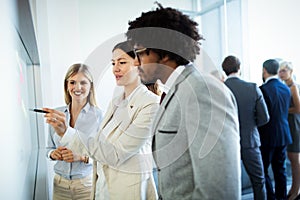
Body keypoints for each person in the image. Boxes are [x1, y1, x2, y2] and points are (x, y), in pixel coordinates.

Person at [126, 3, 241, 199]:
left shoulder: (203, 91)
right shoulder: (174, 90)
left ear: (164, 51)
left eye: (140, 53)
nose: (135, 62)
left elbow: (220, 191)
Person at [45, 40, 159, 200]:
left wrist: (68, 134)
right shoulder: (116, 102)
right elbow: (100, 145)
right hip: (103, 189)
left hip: (127, 191)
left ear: (138, 65)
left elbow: (116, 154)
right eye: (113, 63)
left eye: (122, 62)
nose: (115, 69)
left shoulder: (151, 103)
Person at [45, 63, 103, 200]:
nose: (77, 88)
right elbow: (48, 149)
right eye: (72, 82)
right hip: (59, 185)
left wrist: (81, 157)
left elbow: (103, 157)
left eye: (83, 83)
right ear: (66, 85)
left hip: (86, 186)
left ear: (90, 87)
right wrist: (53, 154)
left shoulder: (99, 116)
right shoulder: (57, 114)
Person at [222, 55, 270, 200]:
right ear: (240, 68)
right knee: (258, 181)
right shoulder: (252, 87)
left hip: (226, 143)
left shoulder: (219, 89)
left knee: (226, 184)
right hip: (250, 142)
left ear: (224, 70)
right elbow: (264, 118)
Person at [258, 59, 292, 200]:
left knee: (263, 170)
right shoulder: (286, 88)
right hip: (283, 134)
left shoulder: (262, 89)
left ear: (264, 71)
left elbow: (262, 116)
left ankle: (271, 197)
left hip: (267, 136)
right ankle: (281, 198)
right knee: (281, 171)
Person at [278, 61, 300, 200]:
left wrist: (283, 110)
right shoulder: (284, 86)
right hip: (288, 124)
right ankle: (293, 188)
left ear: (291, 71)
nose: (281, 73)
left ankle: (296, 190)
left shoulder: (293, 87)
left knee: (294, 159)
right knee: (291, 159)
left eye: (284, 70)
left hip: (294, 125)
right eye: (280, 70)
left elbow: (298, 108)